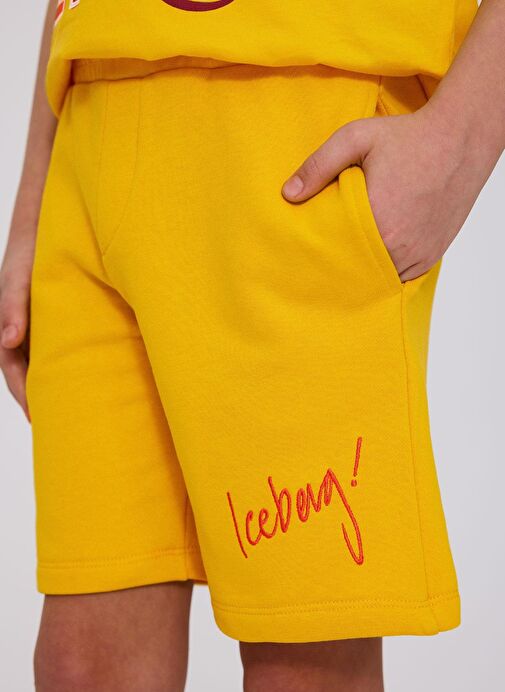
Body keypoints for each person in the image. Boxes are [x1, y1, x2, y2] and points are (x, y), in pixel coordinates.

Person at [1, 0, 503, 690]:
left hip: (299, 116)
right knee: (82, 668)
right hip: (90, 110)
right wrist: (32, 198)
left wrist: (462, 137)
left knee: (302, 664)